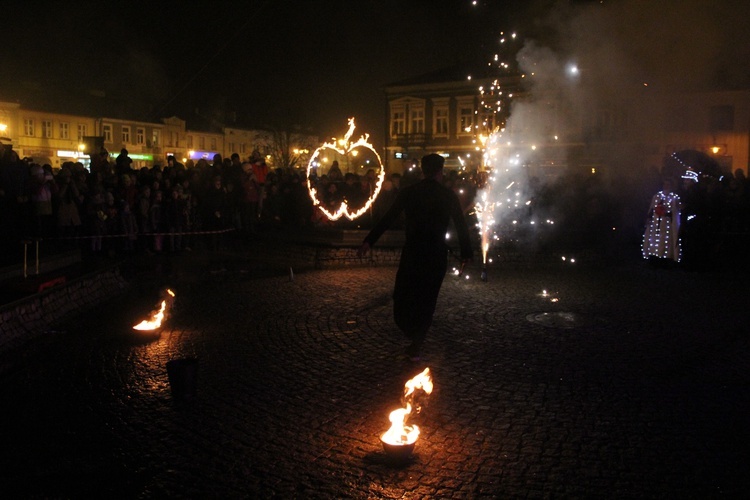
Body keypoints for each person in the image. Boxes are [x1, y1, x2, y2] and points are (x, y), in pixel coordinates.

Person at [357, 153, 473, 361]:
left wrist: (369, 240)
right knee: (427, 298)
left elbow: (388, 217)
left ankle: (412, 333)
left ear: (422, 170)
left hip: (414, 251)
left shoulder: (409, 192)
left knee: (404, 293)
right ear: (441, 170)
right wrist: (466, 253)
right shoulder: (448, 195)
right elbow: (461, 225)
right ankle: (417, 338)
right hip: (435, 253)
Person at [642, 177, 681, 266]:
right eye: (664, 184)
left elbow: (675, 212)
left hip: (667, 223)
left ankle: (665, 260)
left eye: (668, 184)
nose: (666, 186)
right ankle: (654, 258)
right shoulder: (657, 196)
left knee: (665, 241)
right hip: (656, 222)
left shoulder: (674, 197)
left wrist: (666, 213)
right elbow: (652, 208)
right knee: (654, 240)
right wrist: (649, 218)